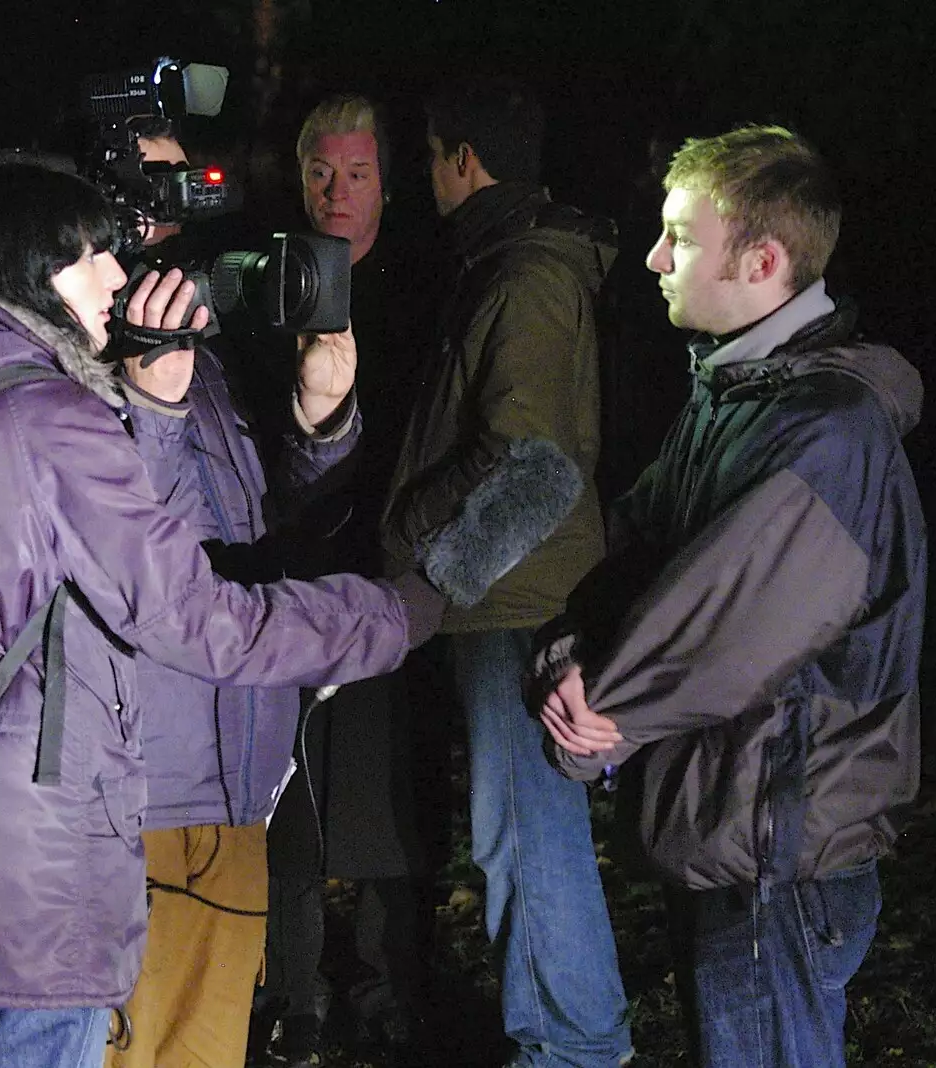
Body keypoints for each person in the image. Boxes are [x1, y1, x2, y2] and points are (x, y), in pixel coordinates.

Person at [0, 159, 442, 1068]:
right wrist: (392, 617)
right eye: (93, 254)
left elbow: (248, 526)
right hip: (46, 868)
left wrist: (317, 415)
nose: (121, 273)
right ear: (29, 270)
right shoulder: (47, 409)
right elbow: (195, 617)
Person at [532, 125, 926, 1068]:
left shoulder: (825, 433)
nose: (656, 257)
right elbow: (627, 544)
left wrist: (601, 708)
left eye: (680, 236)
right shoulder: (740, 395)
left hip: (776, 852)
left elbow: (721, 625)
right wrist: (567, 653)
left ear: (763, 260)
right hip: (734, 826)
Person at [377, 79, 634, 1068]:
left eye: (430, 154)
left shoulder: (522, 275)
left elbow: (533, 463)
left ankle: (573, 1047)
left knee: (522, 836)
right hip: (507, 600)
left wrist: (423, 555)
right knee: (517, 832)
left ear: (461, 159)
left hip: (510, 604)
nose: (423, 176)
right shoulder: (507, 260)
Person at [103, 117, 365, 1068]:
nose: (175, 212)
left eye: (184, 187)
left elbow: (271, 522)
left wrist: (324, 415)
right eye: (149, 186)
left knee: (207, 1047)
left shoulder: (203, 347)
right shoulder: (71, 346)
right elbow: (124, 549)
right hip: (139, 788)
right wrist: (150, 403)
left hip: (241, 769)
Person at [256, 92, 440, 1068]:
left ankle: (383, 978)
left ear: (385, 181)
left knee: (380, 782)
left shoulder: (419, 290)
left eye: (357, 174)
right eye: (321, 172)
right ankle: (296, 990)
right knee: (287, 785)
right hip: (286, 580)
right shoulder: (272, 280)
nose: (338, 192)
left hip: (384, 575)